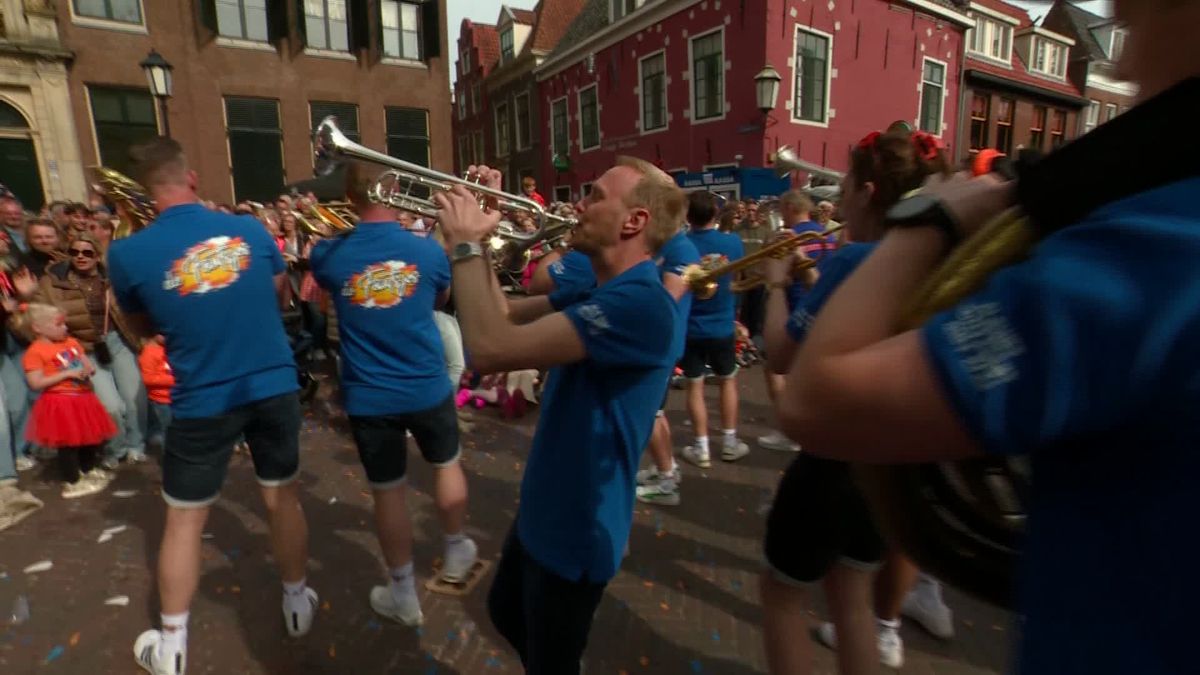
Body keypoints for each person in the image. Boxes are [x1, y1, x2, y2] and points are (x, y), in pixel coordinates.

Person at [776, 2, 1200, 672]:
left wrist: (931, 219)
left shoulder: (1158, 247)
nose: (1121, 55)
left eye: (1139, 14)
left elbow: (815, 399)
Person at [436, 157, 682, 673]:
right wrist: (485, 231)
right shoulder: (599, 289)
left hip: (578, 528)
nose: (578, 205)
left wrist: (464, 244)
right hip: (545, 507)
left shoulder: (641, 303)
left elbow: (490, 349)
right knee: (505, 612)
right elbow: (502, 314)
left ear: (634, 221)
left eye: (595, 196)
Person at [107, 137, 317, 675]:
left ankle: (172, 645)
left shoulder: (126, 253)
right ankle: (297, 604)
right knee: (282, 498)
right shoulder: (251, 230)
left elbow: (143, 326)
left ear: (144, 192)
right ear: (192, 178)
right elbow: (279, 294)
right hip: (272, 384)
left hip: (202, 397)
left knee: (182, 520)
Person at [759, 129, 950, 674]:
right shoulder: (931, 259)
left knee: (781, 597)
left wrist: (776, 285)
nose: (838, 199)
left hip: (832, 459)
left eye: (845, 186)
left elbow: (780, 355)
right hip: (888, 462)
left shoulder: (854, 260)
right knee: (852, 600)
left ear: (868, 192)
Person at [310, 161, 477, 626]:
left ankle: (403, 594)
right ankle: (456, 549)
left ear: (349, 196)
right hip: (426, 384)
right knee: (446, 464)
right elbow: (439, 301)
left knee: (388, 494)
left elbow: (319, 287)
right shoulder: (428, 252)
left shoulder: (330, 253)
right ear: (397, 188)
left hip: (370, 396)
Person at [34, 232, 147, 467]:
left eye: (87, 252)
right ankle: (116, 449)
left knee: (134, 399)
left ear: (97, 255)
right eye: (74, 252)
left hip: (117, 341)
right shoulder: (52, 282)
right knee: (111, 405)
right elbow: (38, 317)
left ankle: (136, 445)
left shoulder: (112, 277)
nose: (80, 257)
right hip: (82, 348)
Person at [679, 191, 748, 468]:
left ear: (688, 216)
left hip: (691, 327)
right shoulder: (732, 242)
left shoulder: (681, 245)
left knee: (694, 386)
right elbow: (738, 280)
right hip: (722, 325)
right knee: (727, 381)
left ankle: (701, 447)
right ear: (716, 214)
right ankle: (730, 443)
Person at [634, 221, 700, 506]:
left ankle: (666, 482)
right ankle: (667, 467)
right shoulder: (666, 245)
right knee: (656, 413)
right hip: (657, 343)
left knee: (649, 414)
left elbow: (664, 302)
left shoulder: (681, 249)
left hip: (661, 345)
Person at [20, 303, 116, 498]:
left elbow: (86, 362)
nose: (65, 328)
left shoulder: (71, 342)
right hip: (61, 403)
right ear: (38, 328)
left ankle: (88, 469)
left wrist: (89, 369)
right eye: (59, 324)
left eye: (65, 323)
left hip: (83, 398)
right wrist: (67, 374)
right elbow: (36, 382)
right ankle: (72, 481)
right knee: (69, 444)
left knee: (89, 438)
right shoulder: (35, 352)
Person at [139, 334, 174, 451]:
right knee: (167, 431)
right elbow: (148, 379)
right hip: (160, 401)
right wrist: (174, 379)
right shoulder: (149, 352)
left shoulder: (170, 348)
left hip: (174, 398)